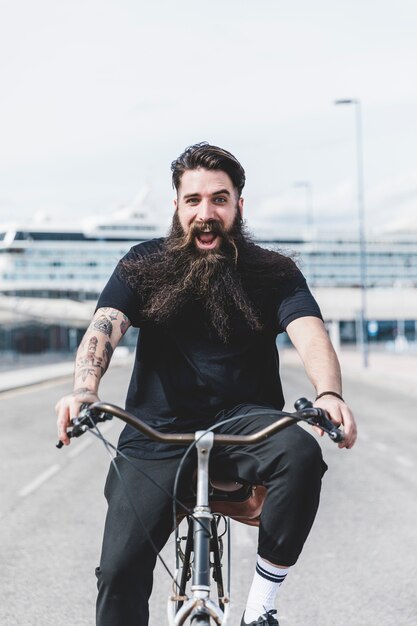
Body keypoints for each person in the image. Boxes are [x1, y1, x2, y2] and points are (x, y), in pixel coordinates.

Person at [56, 142, 357, 626]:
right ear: (176, 207)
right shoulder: (143, 262)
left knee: (301, 455)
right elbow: (105, 326)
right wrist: (85, 389)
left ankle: (261, 606)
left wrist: (328, 393)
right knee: (117, 573)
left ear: (240, 205)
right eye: (193, 200)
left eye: (220, 198)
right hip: (156, 430)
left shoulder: (273, 272)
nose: (206, 212)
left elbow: (310, 331)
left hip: (246, 423)